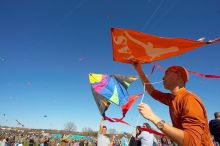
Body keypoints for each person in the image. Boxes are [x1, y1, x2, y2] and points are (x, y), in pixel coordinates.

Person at [133, 62, 212, 146]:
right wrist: (139, 69)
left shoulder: (189, 99)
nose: (162, 77)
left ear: (178, 76)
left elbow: (192, 142)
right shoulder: (172, 98)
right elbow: (151, 91)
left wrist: (152, 116)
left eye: (166, 73)